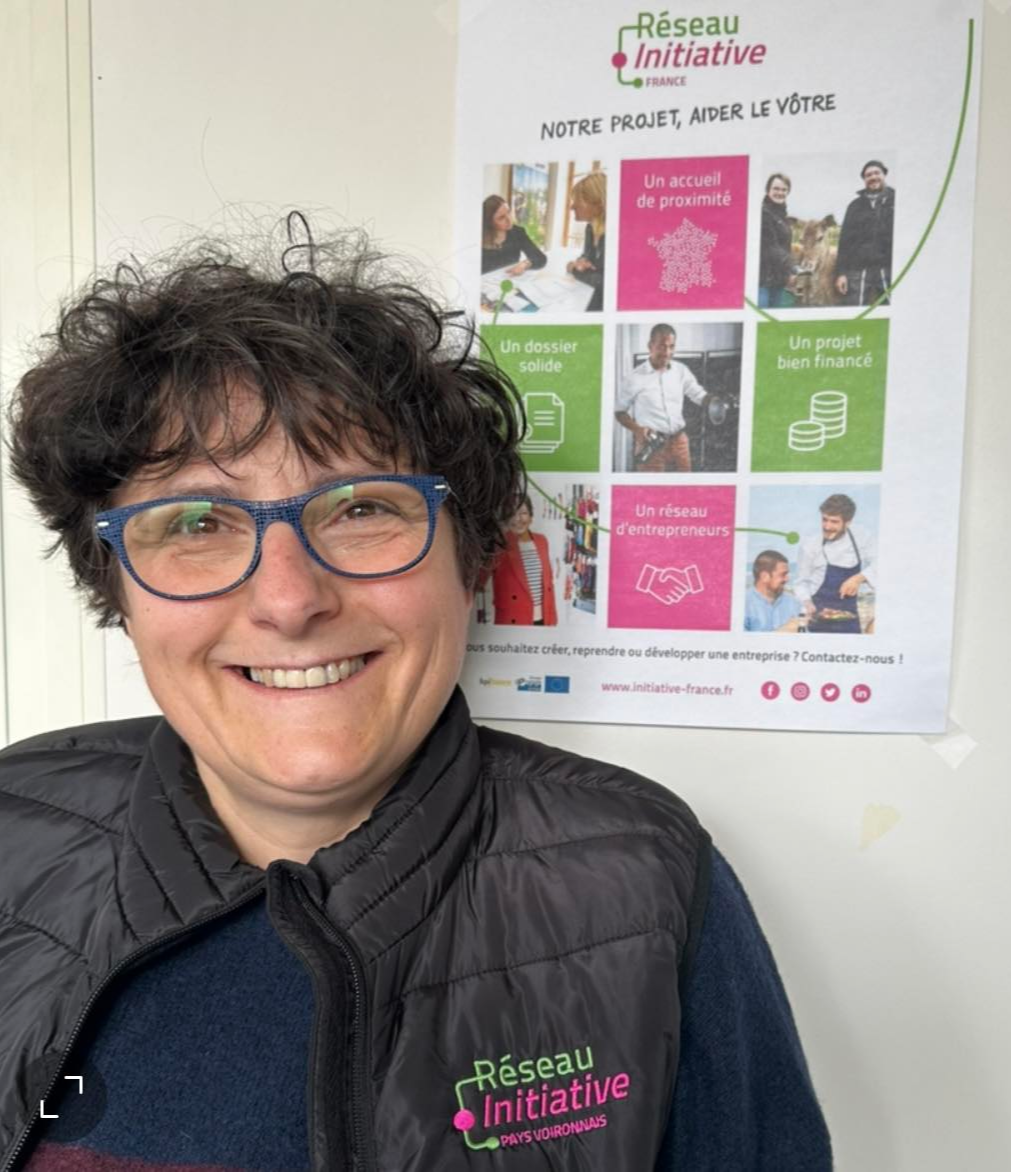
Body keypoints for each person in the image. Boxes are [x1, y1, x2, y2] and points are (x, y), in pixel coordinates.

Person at [0, 222, 831, 1171]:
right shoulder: (13, 822)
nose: (289, 601)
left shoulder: (642, 879)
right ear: (114, 584)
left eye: (361, 508)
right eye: (195, 522)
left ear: (469, 561)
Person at [615, 323, 708, 473]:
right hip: (650, 445)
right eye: (662, 346)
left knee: (685, 485)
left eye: (671, 346)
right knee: (651, 487)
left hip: (680, 442)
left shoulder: (681, 371)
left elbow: (698, 394)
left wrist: (714, 402)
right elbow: (619, 411)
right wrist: (638, 430)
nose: (667, 352)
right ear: (650, 346)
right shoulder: (634, 377)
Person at [792, 493, 877, 634]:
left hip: (850, 619)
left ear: (847, 522)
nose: (827, 526)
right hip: (818, 619)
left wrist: (859, 578)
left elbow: (883, 563)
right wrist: (807, 603)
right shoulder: (810, 545)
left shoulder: (862, 537)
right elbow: (801, 583)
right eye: (824, 520)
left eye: (834, 522)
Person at [834, 160, 895, 306]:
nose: (873, 177)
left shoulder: (896, 201)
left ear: (884, 174)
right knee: (857, 309)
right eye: (868, 175)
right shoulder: (854, 206)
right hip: (859, 270)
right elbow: (844, 242)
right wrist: (841, 274)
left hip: (889, 268)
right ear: (864, 179)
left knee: (895, 308)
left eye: (876, 173)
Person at [490, 494, 557, 625]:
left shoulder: (542, 541)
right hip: (514, 620)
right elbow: (479, 581)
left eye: (523, 513)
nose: (518, 519)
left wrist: (552, 617)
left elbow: (548, 584)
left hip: (544, 619)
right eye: (512, 513)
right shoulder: (499, 544)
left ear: (531, 517)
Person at [564, 170, 606, 311]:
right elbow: (588, 257)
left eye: (577, 201)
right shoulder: (590, 227)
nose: (572, 207)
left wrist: (574, 269)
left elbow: (606, 283)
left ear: (598, 204)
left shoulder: (618, 235)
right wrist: (582, 261)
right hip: (588, 295)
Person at [480, 194, 548, 275]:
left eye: (508, 212)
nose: (509, 219)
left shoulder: (517, 232)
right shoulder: (478, 236)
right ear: (489, 221)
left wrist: (525, 264)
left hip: (510, 279)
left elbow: (540, 258)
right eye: (501, 217)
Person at [758, 172, 798, 309]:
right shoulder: (763, 213)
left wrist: (787, 272)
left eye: (784, 189)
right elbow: (770, 246)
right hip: (763, 281)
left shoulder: (782, 216)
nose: (780, 193)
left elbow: (785, 247)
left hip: (778, 280)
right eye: (776, 188)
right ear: (768, 190)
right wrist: (792, 268)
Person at [744, 550, 801, 632]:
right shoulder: (743, 605)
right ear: (764, 576)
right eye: (783, 574)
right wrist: (783, 631)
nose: (787, 579)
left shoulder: (794, 603)